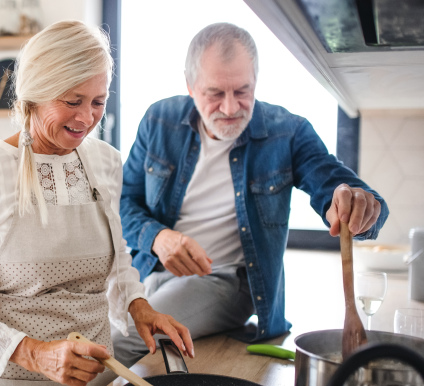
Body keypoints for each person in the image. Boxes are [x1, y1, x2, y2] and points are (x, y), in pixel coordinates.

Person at [0, 20, 193, 386]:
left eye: (98, 101)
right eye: (73, 100)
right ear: (35, 93)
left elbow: (117, 260)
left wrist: (138, 306)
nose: (86, 118)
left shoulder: (106, 163)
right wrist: (37, 354)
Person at [113, 22, 389, 368]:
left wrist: (360, 205)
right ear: (190, 86)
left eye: (243, 91)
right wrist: (159, 238)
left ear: (256, 80)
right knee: (95, 331)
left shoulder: (287, 131)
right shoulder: (159, 120)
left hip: (227, 281)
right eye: (215, 93)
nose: (230, 108)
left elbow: (340, 188)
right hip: (147, 270)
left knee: (121, 340)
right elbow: (122, 203)